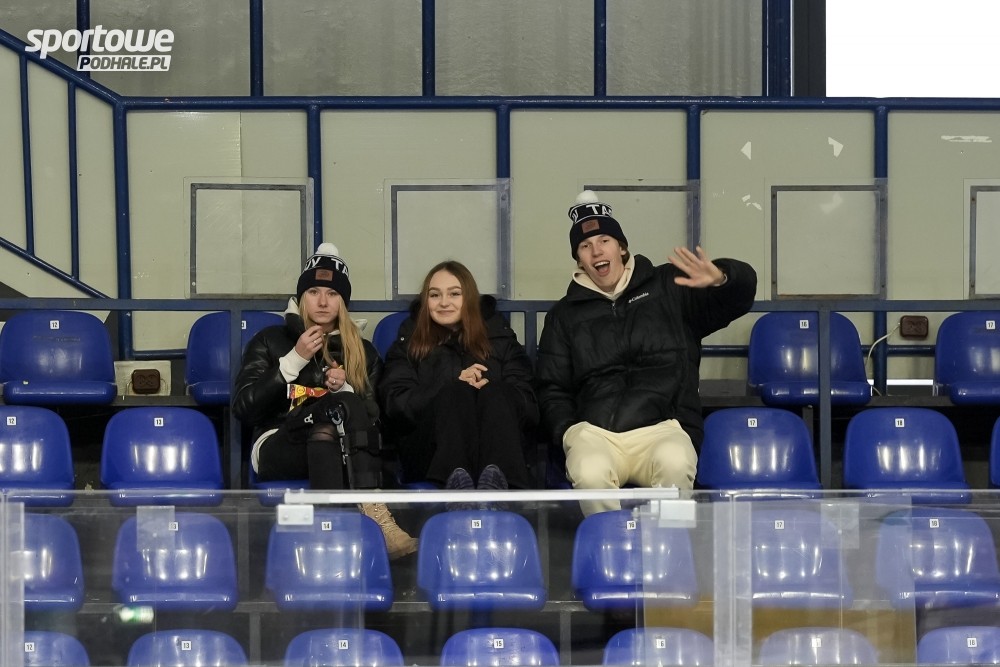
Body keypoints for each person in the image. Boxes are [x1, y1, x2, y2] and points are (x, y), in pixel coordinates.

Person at [535, 191, 757, 516]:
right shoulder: (563, 315)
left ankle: (670, 546)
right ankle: (609, 545)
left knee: (676, 462)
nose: (597, 251)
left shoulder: (669, 286)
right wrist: (570, 430)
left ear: (621, 247)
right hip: (597, 433)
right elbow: (552, 388)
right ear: (579, 260)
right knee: (589, 470)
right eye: (585, 246)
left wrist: (723, 279)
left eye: (605, 240)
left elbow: (738, 299)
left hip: (664, 427)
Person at [233, 242, 418, 559]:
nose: (322, 301)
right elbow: (244, 408)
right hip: (278, 445)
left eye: (332, 293)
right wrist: (294, 360)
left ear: (343, 302)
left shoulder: (363, 352)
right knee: (335, 414)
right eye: (313, 292)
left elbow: (377, 424)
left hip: (340, 448)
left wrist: (344, 388)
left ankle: (327, 543)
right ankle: (376, 521)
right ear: (301, 297)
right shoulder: (270, 340)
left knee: (331, 424)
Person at [378, 260, 538, 495]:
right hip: (432, 455)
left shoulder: (500, 338)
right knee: (456, 393)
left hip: (499, 451)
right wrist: (451, 383)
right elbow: (396, 405)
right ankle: (457, 487)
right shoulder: (409, 342)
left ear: (469, 298)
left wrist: (487, 392)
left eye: (454, 294)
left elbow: (530, 406)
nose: (444, 302)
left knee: (496, 392)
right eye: (435, 295)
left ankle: (496, 486)